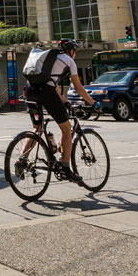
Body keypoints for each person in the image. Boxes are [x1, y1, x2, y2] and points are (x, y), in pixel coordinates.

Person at [25, 38, 96, 180]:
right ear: (71, 51)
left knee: (37, 128)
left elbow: (53, 85)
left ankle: (22, 160)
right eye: (74, 51)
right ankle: (65, 168)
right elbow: (78, 88)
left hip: (30, 89)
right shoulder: (68, 60)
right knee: (66, 128)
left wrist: (65, 101)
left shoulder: (48, 60)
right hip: (46, 92)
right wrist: (93, 103)